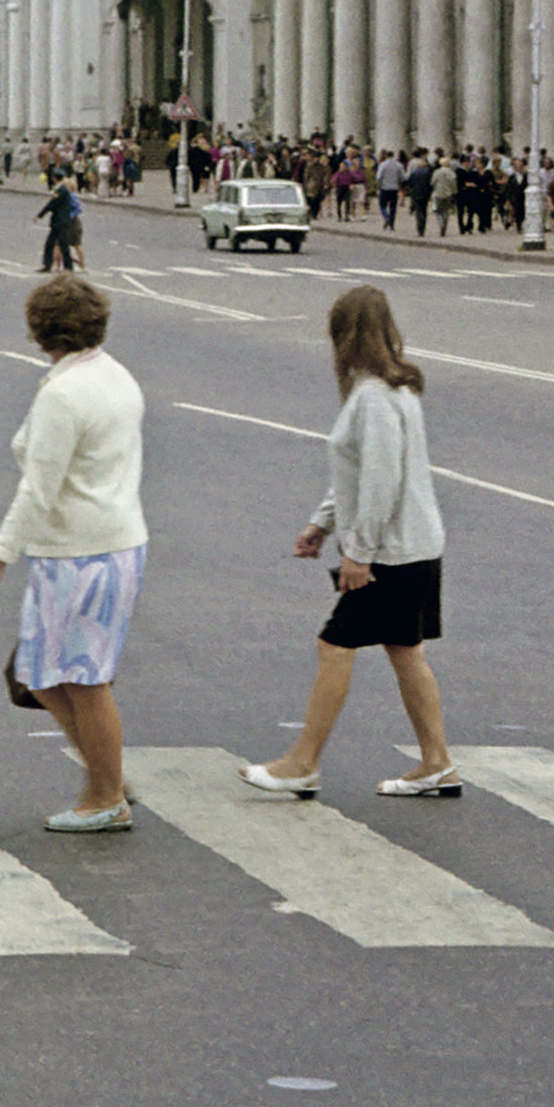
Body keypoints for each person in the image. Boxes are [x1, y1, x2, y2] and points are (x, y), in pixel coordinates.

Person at [240, 287, 455, 799]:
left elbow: (380, 480)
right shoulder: (394, 388)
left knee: (334, 645)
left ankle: (302, 763)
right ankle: (437, 763)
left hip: (391, 551)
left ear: (343, 336)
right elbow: (360, 476)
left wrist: (358, 551)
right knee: (405, 650)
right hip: (415, 546)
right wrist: (323, 523)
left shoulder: (375, 398)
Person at [0, 275, 146, 832]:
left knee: (83, 679)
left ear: (38, 329)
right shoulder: (112, 375)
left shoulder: (62, 395)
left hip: (79, 552)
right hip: (108, 543)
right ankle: (106, 773)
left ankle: (106, 794)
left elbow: (38, 488)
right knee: (43, 676)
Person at [36, 177, 80, 273]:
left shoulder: (61, 191)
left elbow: (52, 204)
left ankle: (65, 267)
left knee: (61, 245)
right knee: (51, 244)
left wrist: (40, 215)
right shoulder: (62, 191)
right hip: (59, 222)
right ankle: (50, 265)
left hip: (60, 222)